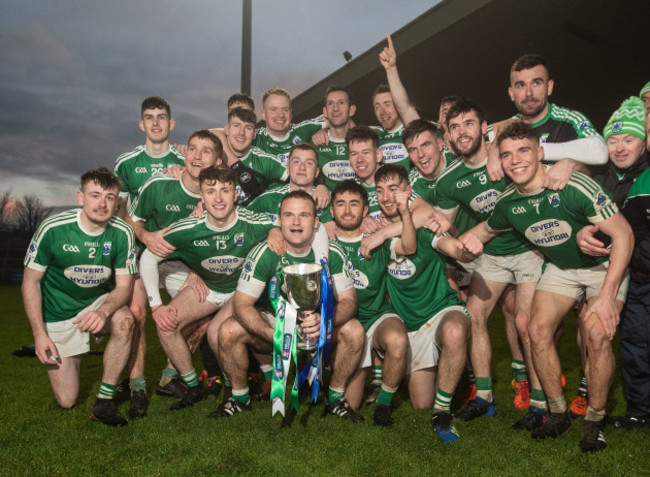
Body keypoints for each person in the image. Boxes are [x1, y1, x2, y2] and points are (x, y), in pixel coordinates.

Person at [463, 121, 633, 452]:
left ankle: (595, 421)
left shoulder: (572, 185)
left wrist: (609, 294)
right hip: (562, 269)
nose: (516, 161)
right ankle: (557, 412)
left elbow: (624, 235)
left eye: (524, 151)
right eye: (507, 155)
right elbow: (484, 229)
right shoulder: (509, 202)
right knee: (535, 329)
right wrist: (451, 237)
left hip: (601, 268)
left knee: (597, 336)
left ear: (540, 153)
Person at [435, 99, 546, 423]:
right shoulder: (448, 180)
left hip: (528, 249)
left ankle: (539, 403)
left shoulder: (508, 153)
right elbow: (442, 224)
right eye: (454, 127)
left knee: (525, 322)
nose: (462, 132)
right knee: (475, 315)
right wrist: (453, 247)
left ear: (485, 128)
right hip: (493, 255)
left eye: (469, 123)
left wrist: (498, 147)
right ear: (449, 136)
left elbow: (523, 127)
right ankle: (484, 395)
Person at [215, 191, 364, 421]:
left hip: (317, 325)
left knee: (354, 331)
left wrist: (324, 320)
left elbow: (349, 301)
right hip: (275, 322)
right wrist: (275, 333)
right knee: (228, 330)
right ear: (279, 220)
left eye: (303, 216)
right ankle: (239, 397)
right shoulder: (264, 252)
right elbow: (242, 304)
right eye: (289, 215)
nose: (295, 222)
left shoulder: (332, 252)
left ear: (316, 222)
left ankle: (335, 398)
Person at [138, 165, 278, 411]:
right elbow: (149, 258)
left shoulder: (253, 222)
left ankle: (233, 387)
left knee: (215, 333)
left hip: (241, 291)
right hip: (210, 290)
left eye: (225, 190)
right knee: (165, 322)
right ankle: (194, 386)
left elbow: (287, 223)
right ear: (201, 197)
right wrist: (156, 304)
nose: (219, 198)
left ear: (236, 195)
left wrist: (276, 230)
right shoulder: (187, 228)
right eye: (211, 191)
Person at [369, 164, 482, 441]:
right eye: (380, 191)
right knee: (420, 402)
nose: (386, 197)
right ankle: (439, 385)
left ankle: (442, 411)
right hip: (408, 324)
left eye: (393, 190)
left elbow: (452, 248)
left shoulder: (426, 226)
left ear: (408, 192)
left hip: (441, 310)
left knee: (456, 330)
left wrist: (466, 250)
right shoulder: (375, 232)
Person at [21, 168, 137, 426]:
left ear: (117, 201)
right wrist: (39, 334)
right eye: (95, 195)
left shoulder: (122, 232)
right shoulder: (53, 228)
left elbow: (123, 287)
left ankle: (104, 401)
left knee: (126, 320)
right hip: (59, 313)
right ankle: (74, 351)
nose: (102, 203)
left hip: (98, 304)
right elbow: (30, 282)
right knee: (66, 399)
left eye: (109, 197)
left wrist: (103, 312)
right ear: (80, 197)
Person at [124, 129, 222, 412]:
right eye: (192, 149)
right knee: (139, 313)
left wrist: (197, 270)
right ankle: (137, 388)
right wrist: (147, 237)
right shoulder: (159, 183)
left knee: (204, 312)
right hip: (145, 255)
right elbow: (131, 220)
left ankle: (168, 378)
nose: (197, 155)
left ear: (216, 161)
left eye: (206, 151)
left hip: (181, 264)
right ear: (185, 153)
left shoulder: (216, 197)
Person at [576, 97, 649, 428]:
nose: (620, 148)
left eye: (629, 139)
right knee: (634, 345)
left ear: (643, 140)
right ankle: (639, 412)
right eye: (613, 140)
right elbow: (582, 217)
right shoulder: (600, 177)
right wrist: (580, 234)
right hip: (632, 277)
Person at [330, 180, 415, 426]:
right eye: (341, 205)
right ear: (332, 211)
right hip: (345, 325)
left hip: (376, 316)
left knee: (398, 340)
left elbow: (409, 246)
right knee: (351, 403)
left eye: (354, 204)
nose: (347, 211)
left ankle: (384, 405)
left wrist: (402, 217)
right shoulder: (323, 244)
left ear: (365, 210)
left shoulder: (376, 239)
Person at [488, 54, 607, 183]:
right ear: (511, 93)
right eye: (521, 85)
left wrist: (538, 152)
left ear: (549, 87)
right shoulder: (506, 127)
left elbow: (600, 152)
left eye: (536, 83)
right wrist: (494, 149)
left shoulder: (568, 120)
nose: (529, 93)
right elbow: (468, 138)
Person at [114, 96, 185, 217]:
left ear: (171, 124)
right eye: (149, 118)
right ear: (142, 125)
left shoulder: (184, 163)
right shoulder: (125, 163)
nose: (155, 123)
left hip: (174, 235)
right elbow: (119, 209)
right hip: (137, 234)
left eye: (161, 117)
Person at [222, 107, 289, 204]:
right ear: (227, 129)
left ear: (254, 134)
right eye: (236, 126)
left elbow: (298, 178)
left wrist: (319, 187)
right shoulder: (214, 155)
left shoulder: (264, 160)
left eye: (248, 128)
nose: (241, 133)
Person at [248, 142, 321, 215]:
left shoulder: (324, 200)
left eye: (309, 163)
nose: (302, 167)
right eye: (296, 162)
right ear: (288, 169)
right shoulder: (268, 200)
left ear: (316, 172)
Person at [313, 86, 357, 191]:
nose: (335, 108)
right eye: (330, 103)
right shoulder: (314, 144)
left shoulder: (365, 142)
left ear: (351, 110)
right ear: (325, 111)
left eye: (341, 103)